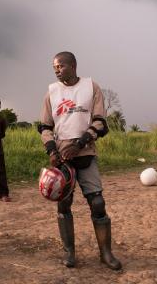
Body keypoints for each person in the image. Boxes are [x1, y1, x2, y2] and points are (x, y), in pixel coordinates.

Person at [38, 51, 122, 270]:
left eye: (61, 66)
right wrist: (52, 151)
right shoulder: (51, 92)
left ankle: (105, 253)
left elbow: (100, 122)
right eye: (54, 66)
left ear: (73, 66)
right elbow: (45, 127)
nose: (56, 69)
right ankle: (69, 253)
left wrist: (81, 143)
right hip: (62, 157)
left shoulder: (91, 87)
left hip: (85, 152)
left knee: (97, 203)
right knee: (64, 203)